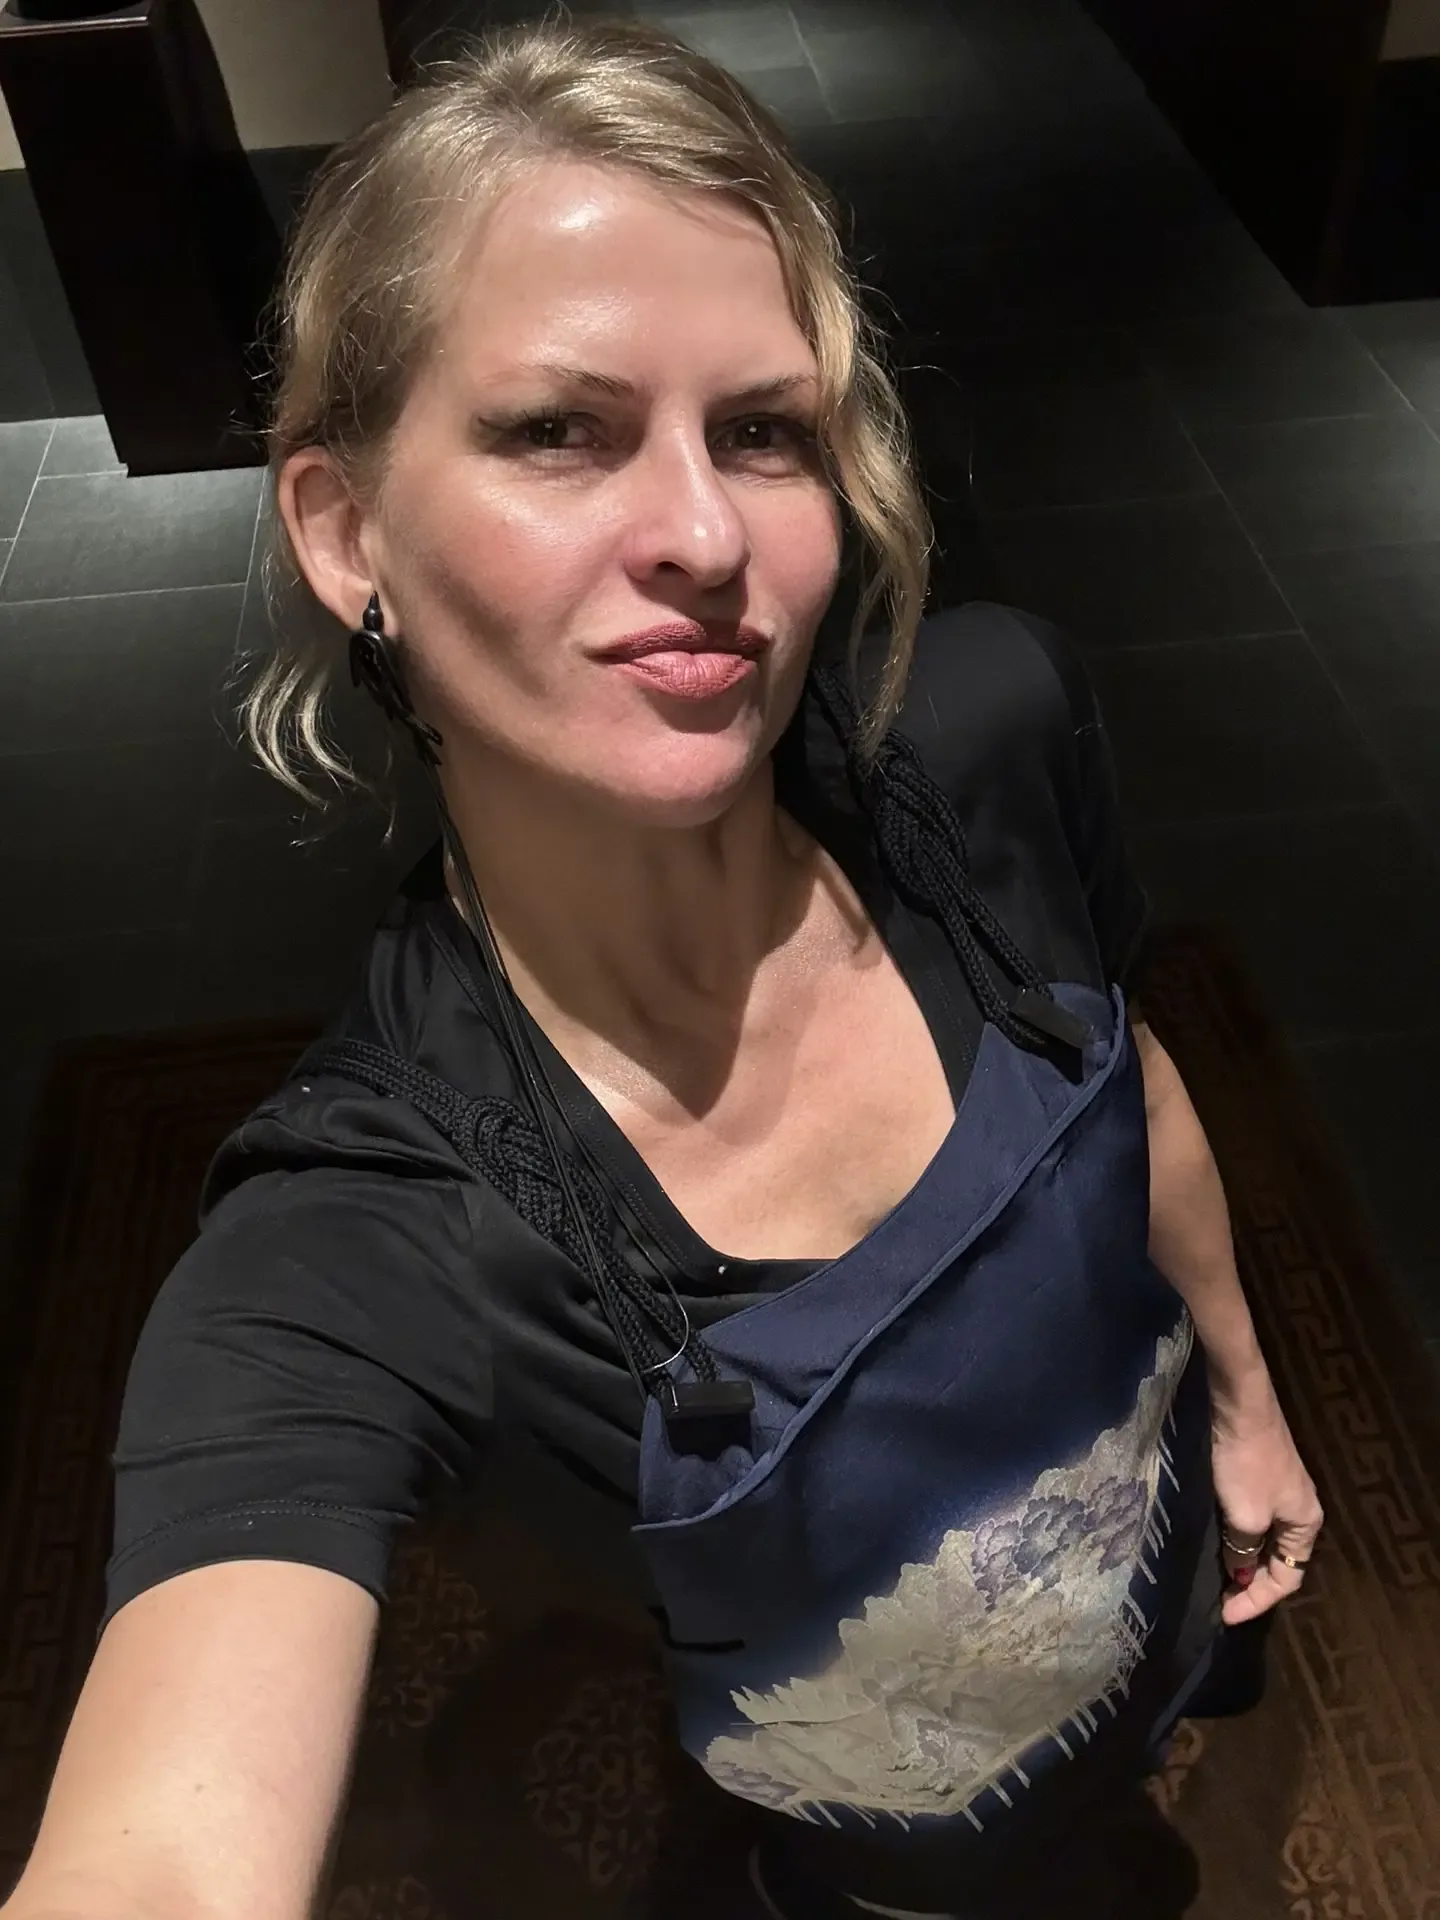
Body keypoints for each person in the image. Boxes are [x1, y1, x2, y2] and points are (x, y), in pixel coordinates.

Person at [3, 20, 1324, 1920]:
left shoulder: (988, 724)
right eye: (559, 429)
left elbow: (1128, 1074)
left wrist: (1245, 1396)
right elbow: (164, 1854)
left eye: (766, 431)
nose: (707, 534)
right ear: (347, 533)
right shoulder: (351, 1246)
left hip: (1158, 1565)